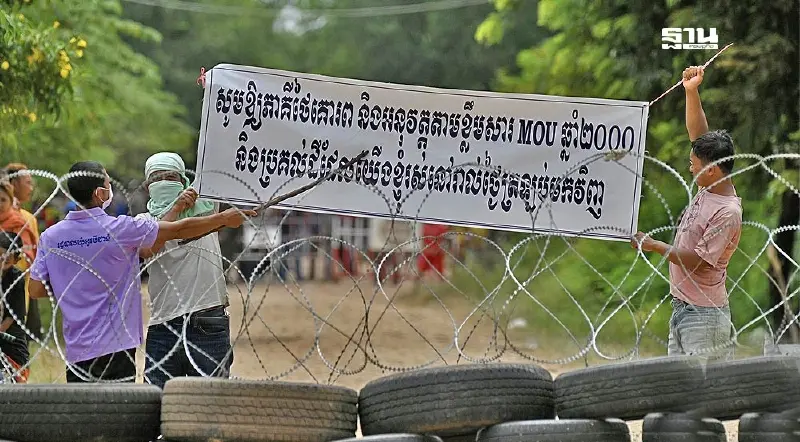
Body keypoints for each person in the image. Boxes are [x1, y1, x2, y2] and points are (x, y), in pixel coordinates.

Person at [27, 161, 256, 383]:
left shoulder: (51, 237)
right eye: (108, 184)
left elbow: (36, 289)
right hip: (117, 345)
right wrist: (224, 219)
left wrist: (76, 286)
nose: (110, 189)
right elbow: (177, 230)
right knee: (119, 412)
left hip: (77, 346)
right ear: (99, 193)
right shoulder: (120, 229)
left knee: (86, 415)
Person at [631, 65, 742, 361]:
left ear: (713, 169)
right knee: (680, 395)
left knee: (700, 400)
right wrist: (691, 92)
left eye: (694, 164)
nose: (690, 167)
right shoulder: (710, 187)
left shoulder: (727, 212)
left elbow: (700, 263)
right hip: (682, 308)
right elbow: (699, 136)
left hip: (704, 317)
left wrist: (656, 246)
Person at [138, 152, 233, 388]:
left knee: (211, 401)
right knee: (156, 400)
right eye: (157, 178)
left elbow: (219, 163)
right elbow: (147, 248)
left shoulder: (208, 210)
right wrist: (177, 207)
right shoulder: (143, 222)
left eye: (170, 176)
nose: (164, 182)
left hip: (207, 319)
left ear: (183, 181)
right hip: (164, 323)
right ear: (148, 186)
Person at [3, 163, 41, 340]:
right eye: (28, 182)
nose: (31, 188)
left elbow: (33, 254)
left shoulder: (25, 219)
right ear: (14, 184)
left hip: (22, 285)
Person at [0, 233, 31, 383]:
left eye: (6, 260)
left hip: (10, 336)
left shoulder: (16, 279)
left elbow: (12, 316)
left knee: (16, 377)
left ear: (16, 259)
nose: (1, 263)